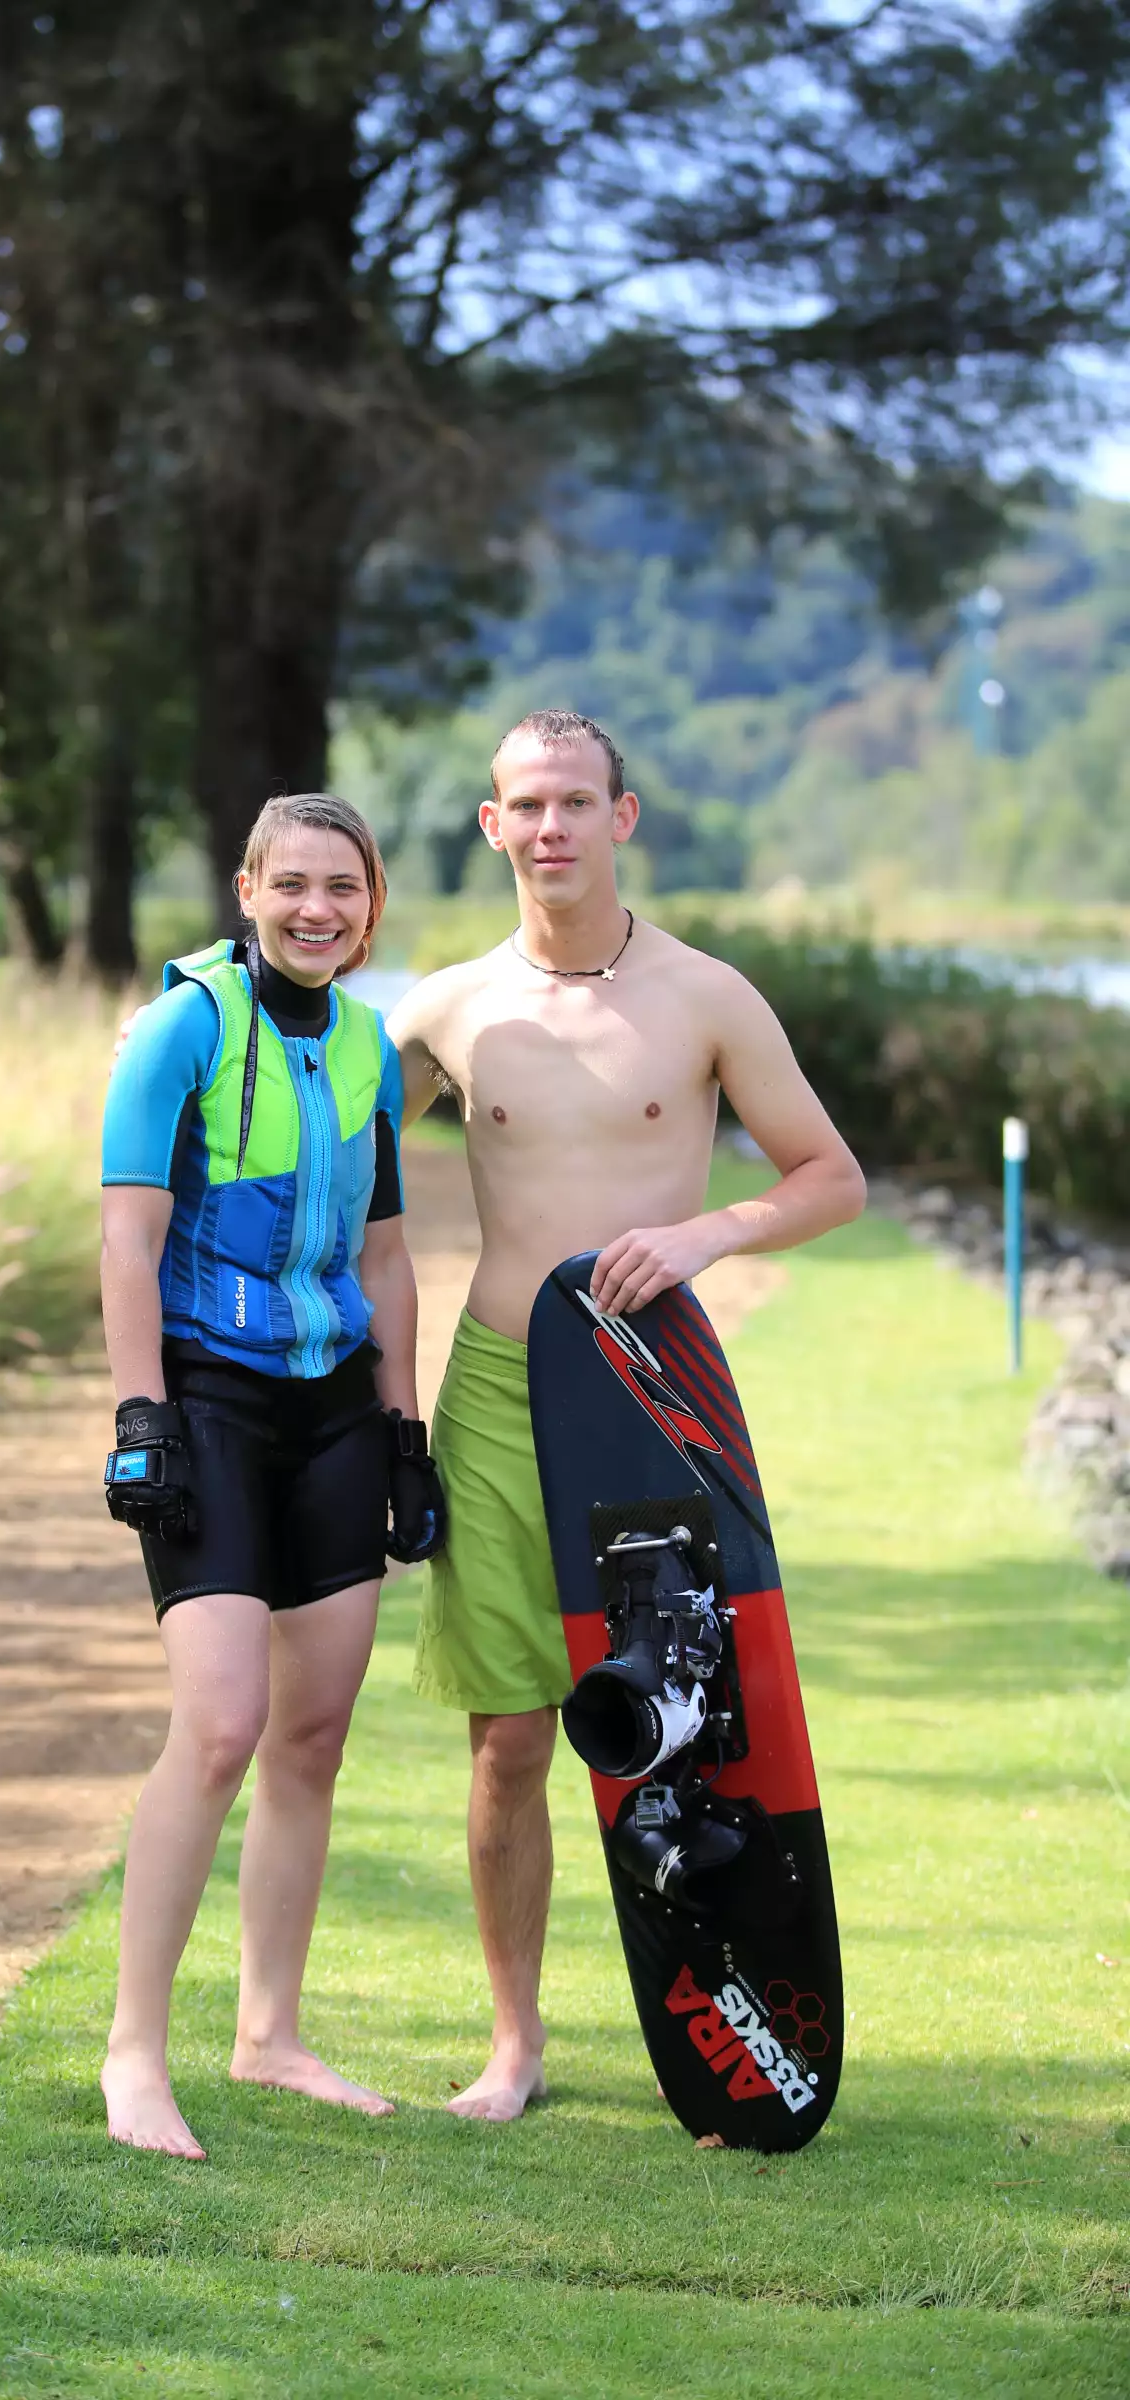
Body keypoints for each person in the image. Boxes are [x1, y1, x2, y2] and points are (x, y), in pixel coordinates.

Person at [386, 708, 866, 2124]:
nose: (551, 829)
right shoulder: (448, 1011)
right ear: (491, 828)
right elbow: (303, 1124)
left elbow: (829, 1178)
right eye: (525, 806)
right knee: (510, 1735)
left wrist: (714, 1233)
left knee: (691, 1725)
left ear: (623, 817)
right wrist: (181, 1037)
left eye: (575, 803)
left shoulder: (708, 995)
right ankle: (516, 2043)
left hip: (652, 1396)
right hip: (494, 1391)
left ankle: (722, 2008)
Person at [98, 791, 446, 2160]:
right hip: (211, 1406)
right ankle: (136, 2053)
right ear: (246, 890)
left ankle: (269, 2036)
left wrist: (403, 1433)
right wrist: (141, 1418)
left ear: (371, 905)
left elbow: (388, 1260)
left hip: (334, 1414)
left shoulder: (368, 1045)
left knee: (312, 1738)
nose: (318, 910)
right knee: (225, 1725)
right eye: (291, 884)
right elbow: (129, 1242)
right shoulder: (182, 1027)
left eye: (343, 889)